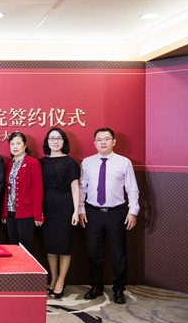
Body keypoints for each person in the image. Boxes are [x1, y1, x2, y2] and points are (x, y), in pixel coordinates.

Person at [79, 127, 139, 304]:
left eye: (106, 139)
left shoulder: (124, 162)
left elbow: (132, 188)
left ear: (114, 142)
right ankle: (96, 286)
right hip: (92, 212)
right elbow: (82, 188)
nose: (103, 142)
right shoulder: (87, 162)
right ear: (94, 143)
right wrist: (81, 209)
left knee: (118, 253)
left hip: (116, 213)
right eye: (99, 139)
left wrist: (133, 211)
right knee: (93, 252)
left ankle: (119, 289)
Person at [39, 128, 80, 299]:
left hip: (65, 207)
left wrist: (76, 211)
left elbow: (75, 188)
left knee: (64, 245)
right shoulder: (40, 162)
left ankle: (61, 280)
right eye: (52, 138)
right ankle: (53, 277)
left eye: (59, 138)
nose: (55, 142)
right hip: (47, 207)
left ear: (64, 141)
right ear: (47, 141)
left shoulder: (70, 162)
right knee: (50, 246)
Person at [1, 131, 43, 254]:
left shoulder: (33, 163)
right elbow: (5, 190)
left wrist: (38, 215)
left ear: (25, 145)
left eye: (18, 143)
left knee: (26, 247)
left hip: (26, 212)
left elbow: (37, 191)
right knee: (13, 246)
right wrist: (3, 213)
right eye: (12, 144)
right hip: (10, 211)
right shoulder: (8, 164)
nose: (15, 146)